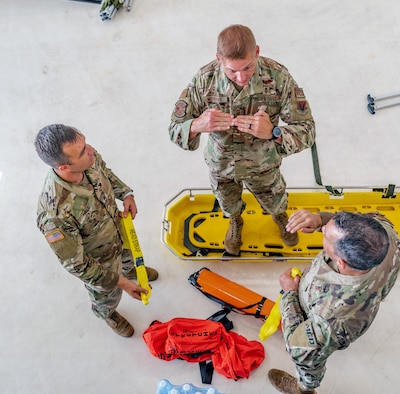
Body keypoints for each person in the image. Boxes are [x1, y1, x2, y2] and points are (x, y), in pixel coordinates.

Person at [168, 24, 316, 255]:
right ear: (218, 59)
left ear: (257, 52)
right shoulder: (204, 80)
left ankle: (280, 218)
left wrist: (274, 133)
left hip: (263, 165)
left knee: (274, 199)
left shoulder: (278, 78)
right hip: (222, 165)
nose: (241, 77)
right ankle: (235, 222)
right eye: (232, 71)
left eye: (248, 67)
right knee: (227, 202)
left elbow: (307, 130)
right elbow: (174, 129)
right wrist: (197, 125)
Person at [35, 124, 159, 338]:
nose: (91, 150)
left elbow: (107, 174)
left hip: (119, 231)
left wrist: (126, 194)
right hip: (99, 261)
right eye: (83, 151)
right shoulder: (55, 215)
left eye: (86, 144)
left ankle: (131, 270)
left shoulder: (88, 157)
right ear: (64, 167)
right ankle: (107, 313)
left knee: (128, 256)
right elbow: (78, 265)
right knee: (107, 295)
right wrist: (120, 283)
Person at [268, 209, 400, 394]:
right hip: (374, 289)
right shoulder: (383, 234)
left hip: (328, 326)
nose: (323, 228)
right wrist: (319, 219)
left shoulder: (331, 316)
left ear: (340, 262)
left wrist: (290, 294)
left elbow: (298, 349)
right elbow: (369, 218)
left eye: (325, 234)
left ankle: (305, 389)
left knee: (310, 365)